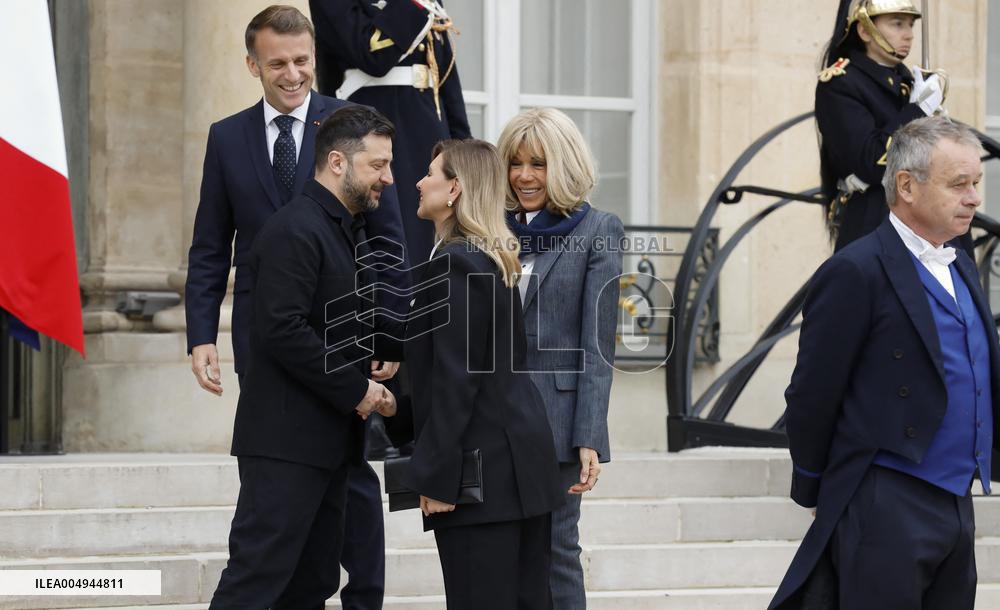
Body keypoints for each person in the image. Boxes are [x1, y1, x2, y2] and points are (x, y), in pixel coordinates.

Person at [184, 7, 402, 607]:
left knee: (349, 485)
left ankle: (363, 600)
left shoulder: (351, 127)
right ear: (253, 64)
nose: (292, 74)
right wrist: (202, 332)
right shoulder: (226, 136)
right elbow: (210, 245)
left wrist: (385, 338)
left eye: (302, 61)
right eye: (277, 63)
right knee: (277, 482)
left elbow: (386, 242)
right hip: (268, 336)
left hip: (346, 338)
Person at [769, 116, 996, 610]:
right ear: (907, 185)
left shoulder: (961, 261)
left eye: (977, 183)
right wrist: (815, 489)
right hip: (885, 498)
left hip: (958, 499)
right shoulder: (854, 270)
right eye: (960, 184)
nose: (975, 198)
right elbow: (812, 393)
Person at [383, 139, 563, 610]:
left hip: (484, 477)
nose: (419, 182)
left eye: (430, 174)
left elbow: (456, 379)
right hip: (517, 468)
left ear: (455, 190)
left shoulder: (454, 263)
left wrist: (439, 478)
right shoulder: (484, 258)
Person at [496, 107, 623, 609]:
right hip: (493, 419)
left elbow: (598, 343)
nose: (524, 176)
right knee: (503, 557)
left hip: (556, 425)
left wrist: (588, 436)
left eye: (539, 164)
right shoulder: (490, 229)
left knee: (556, 555)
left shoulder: (598, 230)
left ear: (564, 166)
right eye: (516, 162)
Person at [310, 0, 472, 266]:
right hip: (367, 136)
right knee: (391, 242)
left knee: (436, 243)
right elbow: (373, 56)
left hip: (429, 135)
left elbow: (445, 82)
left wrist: (464, 150)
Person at [816, 0, 961, 253]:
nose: (909, 35)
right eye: (897, 24)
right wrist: (917, 110)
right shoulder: (841, 84)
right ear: (864, 31)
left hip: (927, 219)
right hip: (874, 220)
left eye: (910, 25)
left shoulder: (909, 82)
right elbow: (872, 162)